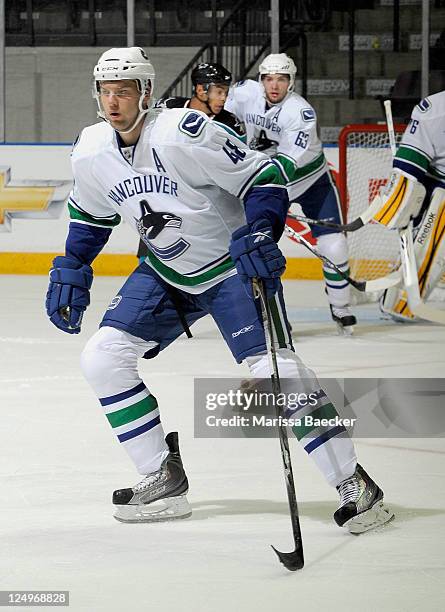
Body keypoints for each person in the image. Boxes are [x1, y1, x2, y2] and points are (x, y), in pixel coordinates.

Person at [45, 47, 392, 533]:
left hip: (232, 267)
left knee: (278, 372)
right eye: (105, 91)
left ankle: (354, 483)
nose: (113, 101)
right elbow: (90, 214)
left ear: (146, 92)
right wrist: (74, 262)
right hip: (166, 271)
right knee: (102, 358)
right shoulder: (91, 148)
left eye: (124, 91)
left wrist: (258, 232)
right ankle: (160, 474)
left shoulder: (186, 133)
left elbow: (264, 178)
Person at [225, 53, 356, 334]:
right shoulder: (243, 93)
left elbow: (283, 167)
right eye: (269, 78)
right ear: (260, 80)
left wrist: (242, 180)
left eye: (281, 79)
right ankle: (267, 312)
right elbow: (216, 113)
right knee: (257, 249)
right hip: (266, 182)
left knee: (335, 246)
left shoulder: (301, 113)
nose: (274, 85)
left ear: (291, 82)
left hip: (308, 180)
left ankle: (341, 306)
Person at [137, 61, 245, 261]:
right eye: (219, 91)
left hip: (203, 204)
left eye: (225, 92)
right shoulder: (168, 107)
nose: (224, 98)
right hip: (165, 195)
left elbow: (237, 168)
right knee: (149, 261)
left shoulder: (231, 124)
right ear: (201, 90)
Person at [373, 90, 445, 320]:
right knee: (427, 249)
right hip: (439, 185)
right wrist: (399, 203)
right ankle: (401, 297)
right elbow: (410, 165)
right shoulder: (435, 110)